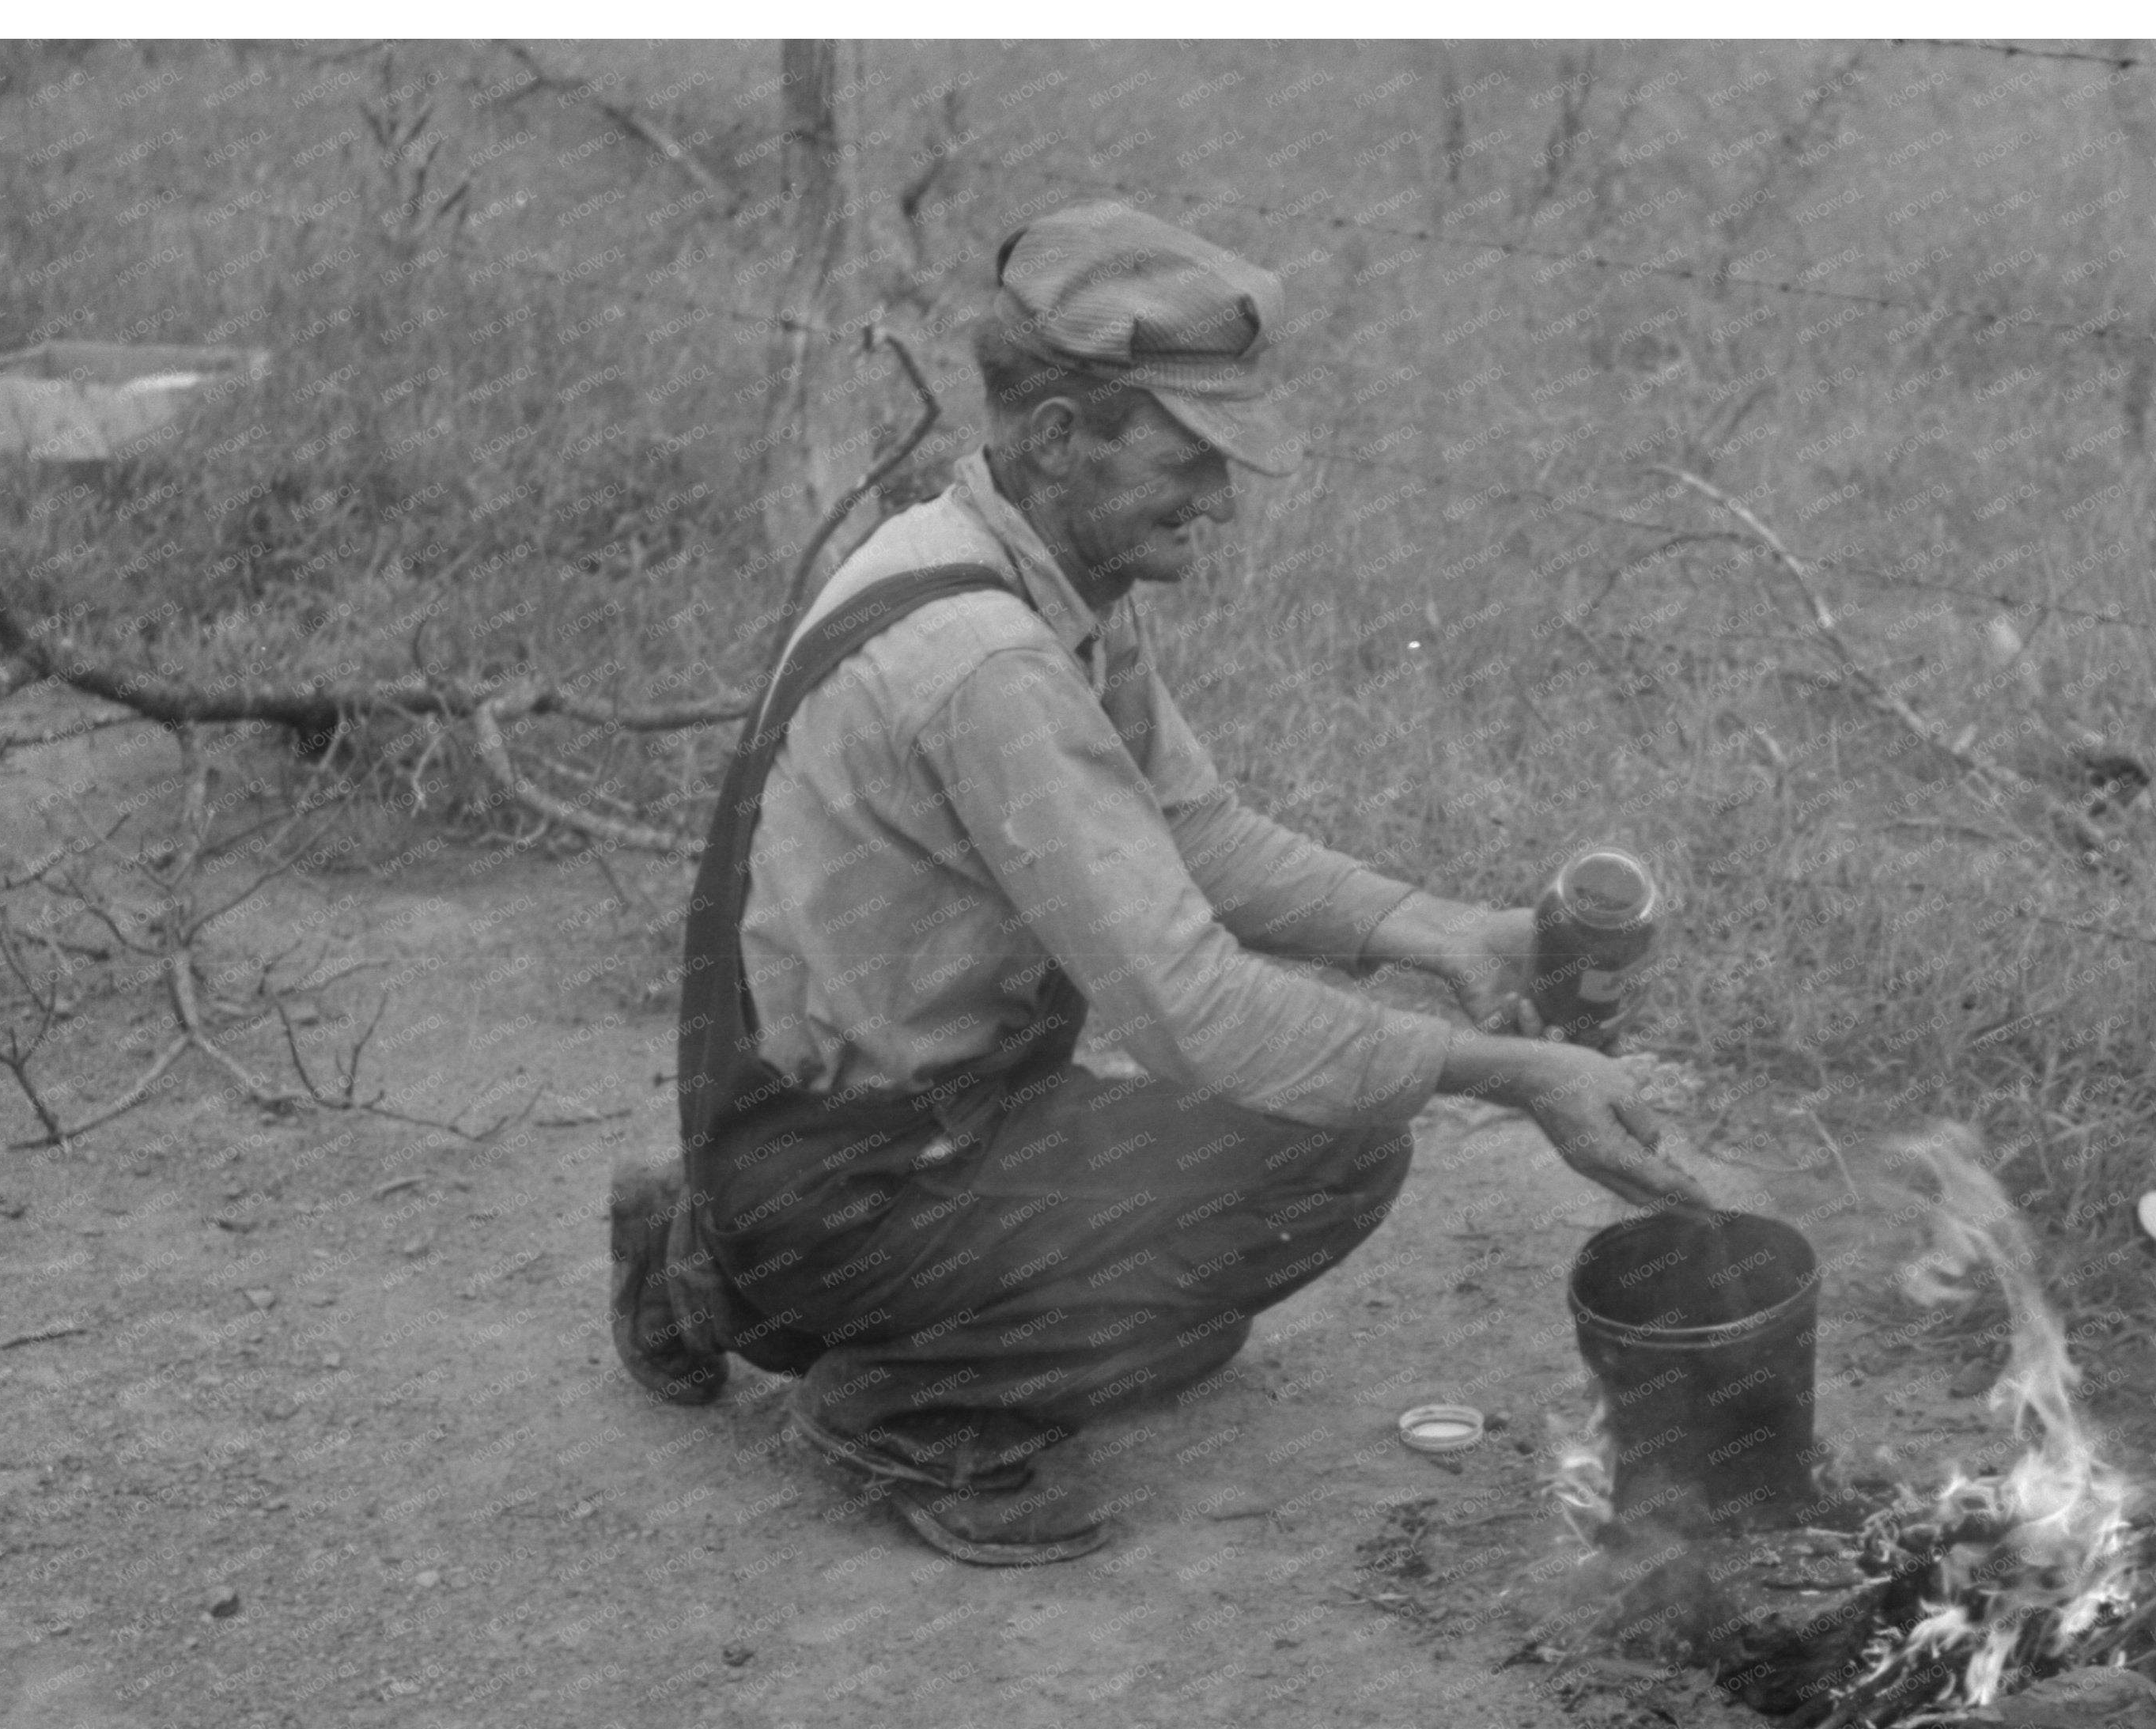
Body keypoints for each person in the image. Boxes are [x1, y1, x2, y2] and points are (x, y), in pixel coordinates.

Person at [609, 200, 1705, 1565]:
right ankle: (899, 1400)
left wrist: (1439, 932)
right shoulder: (994, 666)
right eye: (1190, 458)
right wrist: (1512, 1073)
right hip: (861, 1164)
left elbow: (1195, 831)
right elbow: (1196, 1010)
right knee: (1316, 1176)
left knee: (1198, 1305)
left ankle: (707, 1250)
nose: (1223, 500)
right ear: (1060, 437)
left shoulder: (1026, 565)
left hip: (861, 1126)